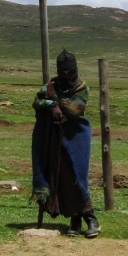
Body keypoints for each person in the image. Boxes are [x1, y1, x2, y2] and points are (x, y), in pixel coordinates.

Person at [30, 49, 100, 238]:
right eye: (63, 73)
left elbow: (76, 109)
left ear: (75, 70)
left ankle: (91, 218)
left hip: (76, 137)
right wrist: (50, 105)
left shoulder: (82, 87)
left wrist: (55, 103)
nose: (67, 76)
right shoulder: (51, 86)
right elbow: (37, 102)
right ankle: (75, 221)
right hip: (55, 139)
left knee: (78, 176)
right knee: (62, 178)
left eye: (70, 73)